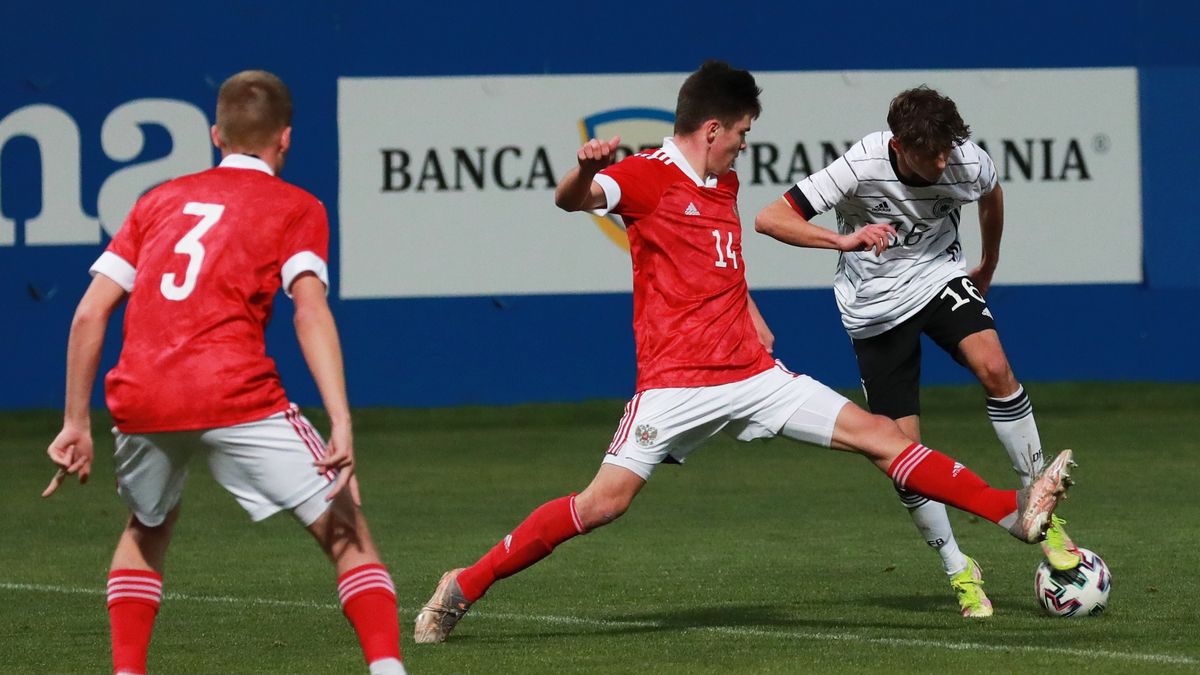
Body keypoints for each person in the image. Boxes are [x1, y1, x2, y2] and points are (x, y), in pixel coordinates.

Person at [412, 61, 1074, 644]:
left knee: (881, 437)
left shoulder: (720, 187)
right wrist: (585, 170)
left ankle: (1016, 515)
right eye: (741, 134)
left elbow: (716, 261)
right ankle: (465, 582)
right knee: (602, 504)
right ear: (711, 130)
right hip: (674, 384)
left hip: (754, 375)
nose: (743, 146)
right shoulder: (644, 176)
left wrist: (748, 310)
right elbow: (575, 201)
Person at [41, 70, 407, 675]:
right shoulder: (297, 206)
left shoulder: (156, 200)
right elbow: (308, 307)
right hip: (236, 393)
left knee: (147, 527)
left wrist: (75, 421)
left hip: (142, 396)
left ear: (216, 134)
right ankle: (387, 670)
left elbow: (88, 313)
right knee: (344, 527)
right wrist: (340, 420)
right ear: (285, 139)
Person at [754, 85, 1082, 618]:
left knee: (995, 366)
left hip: (939, 277)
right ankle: (958, 568)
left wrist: (988, 263)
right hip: (874, 308)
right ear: (900, 145)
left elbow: (992, 193)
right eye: (930, 152)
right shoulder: (859, 165)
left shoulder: (962, 158)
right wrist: (842, 240)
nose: (943, 160)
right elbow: (770, 218)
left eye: (948, 148)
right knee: (902, 455)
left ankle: (1040, 507)